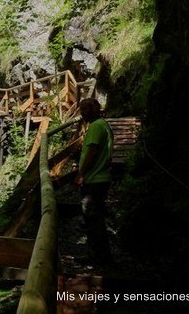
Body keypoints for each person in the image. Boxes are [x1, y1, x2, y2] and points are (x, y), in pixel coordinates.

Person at [75, 98, 114, 263]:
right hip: (102, 177)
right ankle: (101, 255)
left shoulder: (96, 127)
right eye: (81, 110)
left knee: (92, 219)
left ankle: (97, 256)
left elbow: (92, 151)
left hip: (95, 179)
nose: (82, 113)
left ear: (94, 109)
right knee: (96, 218)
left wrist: (81, 172)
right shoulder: (104, 124)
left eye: (85, 110)